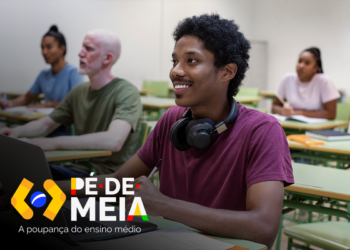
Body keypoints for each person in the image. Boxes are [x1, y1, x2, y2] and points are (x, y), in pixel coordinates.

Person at [54, 14, 294, 248]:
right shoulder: (172, 120)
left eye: (191, 60)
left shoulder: (262, 131)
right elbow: (119, 182)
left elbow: (263, 228)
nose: (175, 71)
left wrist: (163, 206)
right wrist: (45, 189)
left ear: (227, 72)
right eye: (174, 61)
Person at [0, 30, 143, 179]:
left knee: (34, 187)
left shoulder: (126, 92)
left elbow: (113, 141)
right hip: (79, 169)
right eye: (82, 47)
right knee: (18, 176)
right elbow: (46, 125)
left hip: (107, 178)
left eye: (88, 49)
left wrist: (53, 143)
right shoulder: (79, 92)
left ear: (107, 58)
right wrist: (17, 131)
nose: (80, 53)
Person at [0, 25, 83, 109]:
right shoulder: (43, 75)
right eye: (42, 48)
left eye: (49, 47)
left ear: (62, 49)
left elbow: (76, 103)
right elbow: (27, 98)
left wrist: (48, 104)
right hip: (47, 120)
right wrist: (9, 103)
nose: (44, 52)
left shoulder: (75, 73)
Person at [272, 47, 340, 119]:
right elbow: (274, 107)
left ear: (315, 68)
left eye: (307, 63)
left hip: (318, 128)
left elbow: (331, 114)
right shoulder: (287, 79)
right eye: (299, 61)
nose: (301, 66)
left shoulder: (324, 80)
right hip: (293, 125)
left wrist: (301, 113)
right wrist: (282, 110)